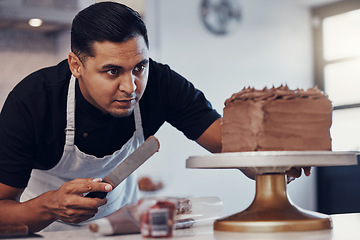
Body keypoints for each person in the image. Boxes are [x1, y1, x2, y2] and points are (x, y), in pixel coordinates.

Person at [0, 2, 308, 233]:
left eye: (139, 67)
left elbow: (228, 144)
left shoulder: (161, 84)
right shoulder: (32, 102)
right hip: (39, 228)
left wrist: (272, 161)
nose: (131, 87)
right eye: (112, 71)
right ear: (76, 64)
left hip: (121, 227)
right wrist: (50, 206)